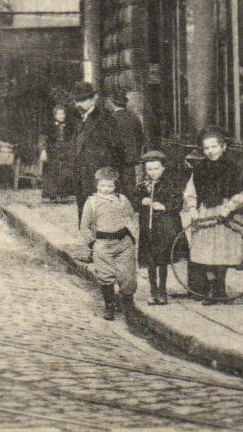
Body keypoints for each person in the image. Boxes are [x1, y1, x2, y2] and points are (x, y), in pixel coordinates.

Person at [181, 128, 243, 305]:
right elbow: (191, 191)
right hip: (206, 212)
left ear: (223, 147)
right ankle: (212, 289)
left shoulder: (234, 168)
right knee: (206, 252)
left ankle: (220, 288)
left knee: (223, 251)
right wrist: (192, 208)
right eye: (206, 148)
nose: (211, 151)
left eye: (214, 147)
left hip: (225, 214)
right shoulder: (199, 169)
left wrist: (229, 207)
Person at [77, 166, 139, 320]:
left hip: (123, 243)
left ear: (115, 186)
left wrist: (132, 236)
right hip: (103, 244)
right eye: (102, 185)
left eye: (110, 185)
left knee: (127, 276)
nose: (106, 189)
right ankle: (109, 305)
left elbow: (131, 217)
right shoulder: (91, 203)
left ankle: (129, 306)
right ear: (96, 185)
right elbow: (84, 226)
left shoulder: (122, 200)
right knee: (105, 275)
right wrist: (92, 243)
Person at [68, 82, 141, 208]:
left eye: (82, 100)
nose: (78, 104)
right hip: (81, 175)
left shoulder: (105, 119)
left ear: (93, 100)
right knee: (85, 214)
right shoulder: (78, 119)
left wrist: (106, 175)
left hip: (98, 177)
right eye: (77, 100)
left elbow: (115, 149)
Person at [137, 150, 182, 305]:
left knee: (162, 261)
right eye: (149, 169)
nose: (153, 172)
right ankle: (153, 291)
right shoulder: (143, 185)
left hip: (164, 228)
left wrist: (164, 206)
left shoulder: (170, 185)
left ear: (163, 168)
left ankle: (162, 291)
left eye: (156, 169)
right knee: (151, 262)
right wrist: (142, 201)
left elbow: (178, 202)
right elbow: (134, 200)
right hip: (148, 230)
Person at [40, 104, 75, 202]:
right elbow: (43, 139)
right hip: (52, 152)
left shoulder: (70, 126)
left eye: (63, 113)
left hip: (66, 152)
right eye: (58, 114)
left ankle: (64, 195)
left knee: (65, 172)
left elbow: (73, 140)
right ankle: (52, 195)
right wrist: (43, 150)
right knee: (52, 172)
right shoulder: (49, 126)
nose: (61, 116)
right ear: (55, 115)